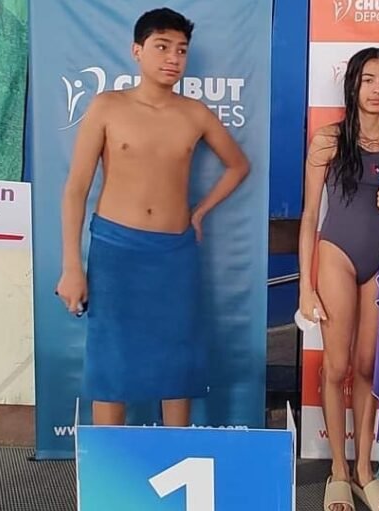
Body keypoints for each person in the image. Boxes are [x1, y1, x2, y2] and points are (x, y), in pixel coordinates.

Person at [55, 8, 250, 426]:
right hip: (115, 250)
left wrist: (200, 211)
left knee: (176, 360)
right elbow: (75, 189)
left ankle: (175, 452)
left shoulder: (195, 114)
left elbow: (238, 165)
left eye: (181, 50)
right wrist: (71, 266)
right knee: (111, 363)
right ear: (137, 51)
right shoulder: (107, 106)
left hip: (174, 252)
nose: (173, 58)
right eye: (162, 47)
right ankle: (110, 458)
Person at [299, 47, 379, 511]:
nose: (377, 89)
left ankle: (365, 470)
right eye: (368, 80)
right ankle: (338, 470)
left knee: (368, 366)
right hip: (337, 257)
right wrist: (305, 287)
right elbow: (310, 215)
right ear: (353, 84)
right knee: (337, 365)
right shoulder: (328, 140)